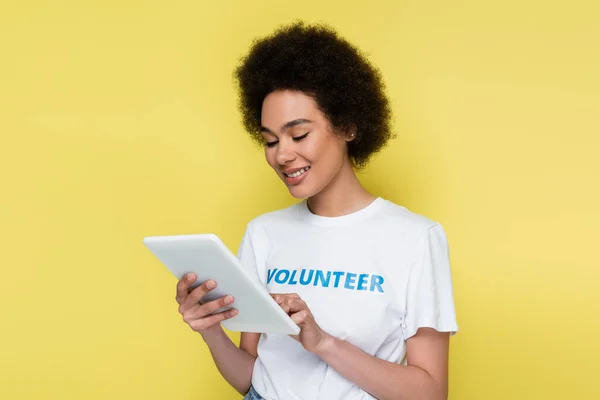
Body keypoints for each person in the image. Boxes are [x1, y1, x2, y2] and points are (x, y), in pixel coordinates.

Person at [175, 21, 458, 400]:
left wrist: (322, 342)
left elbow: (430, 392)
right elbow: (252, 378)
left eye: (299, 134)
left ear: (348, 126)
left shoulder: (416, 238)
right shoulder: (263, 233)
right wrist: (209, 330)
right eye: (270, 140)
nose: (282, 154)